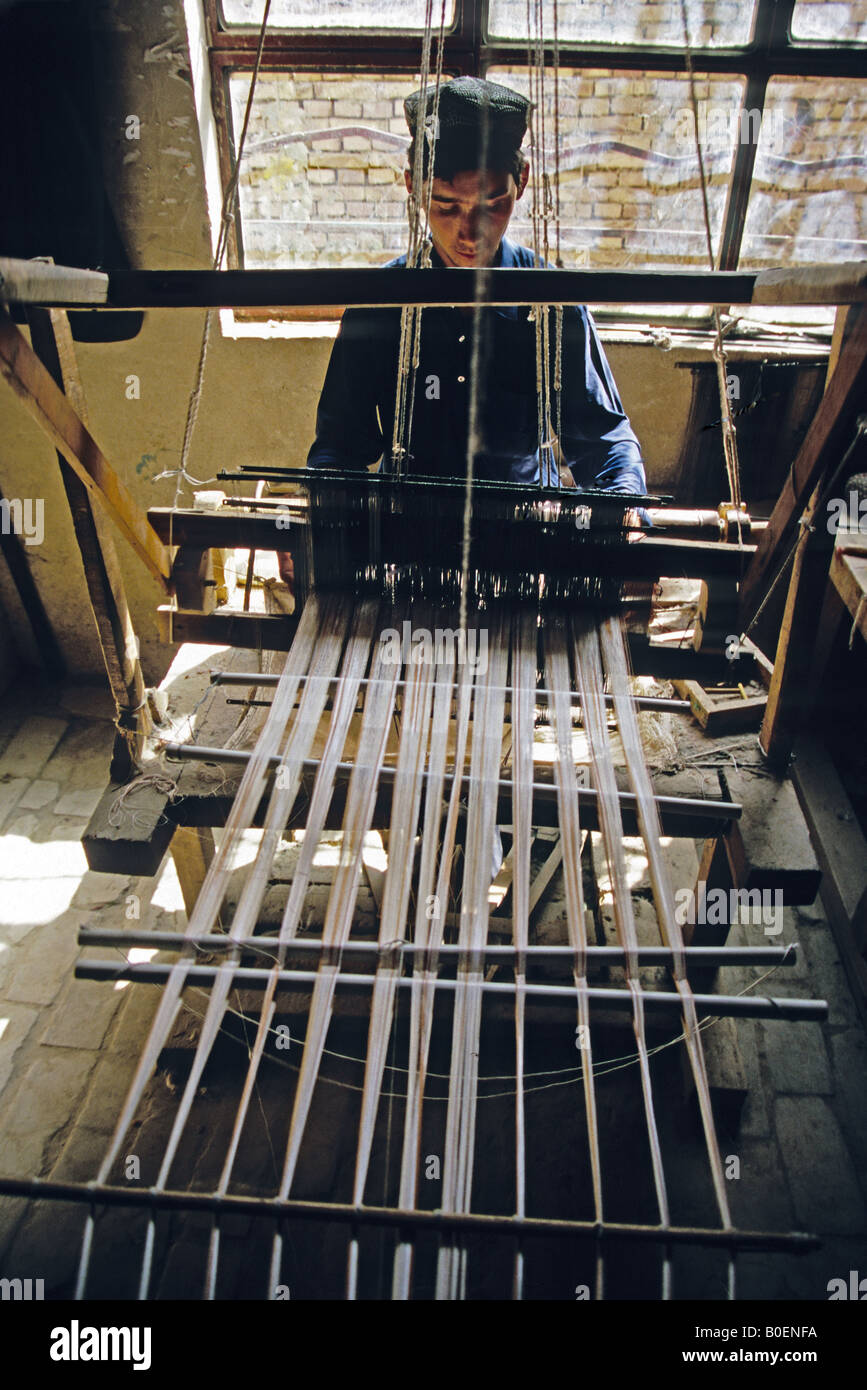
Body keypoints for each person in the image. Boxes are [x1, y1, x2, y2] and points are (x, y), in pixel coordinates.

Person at [305, 75, 647, 496]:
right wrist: (331, 501)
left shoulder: (551, 302)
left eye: (491, 206)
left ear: (520, 181)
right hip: (410, 531)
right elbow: (339, 447)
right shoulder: (380, 306)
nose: (468, 233)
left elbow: (604, 438)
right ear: (412, 187)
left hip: (526, 530)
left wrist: (626, 502)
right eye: (446, 206)